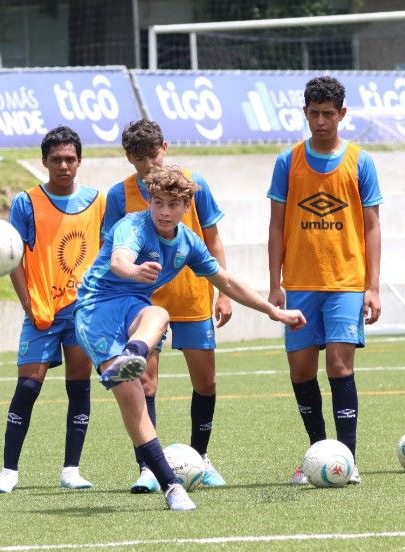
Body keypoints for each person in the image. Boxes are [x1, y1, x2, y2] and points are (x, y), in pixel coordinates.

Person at [75, 165, 305, 511]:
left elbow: (226, 282)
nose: (164, 212)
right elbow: (120, 259)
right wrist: (135, 270)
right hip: (96, 310)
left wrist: (275, 312)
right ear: (149, 202)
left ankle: (132, 353)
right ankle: (171, 485)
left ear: (186, 207)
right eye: (158, 203)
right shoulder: (133, 226)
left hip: (132, 306)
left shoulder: (187, 243)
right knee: (132, 396)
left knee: (159, 314)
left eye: (173, 204)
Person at [103, 119, 232, 493]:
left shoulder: (195, 184)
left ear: (166, 146)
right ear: (129, 158)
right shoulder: (118, 195)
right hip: (143, 302)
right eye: (139, 158)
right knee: (145, 380)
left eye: (153, 154)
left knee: (205, 380)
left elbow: (213, 238)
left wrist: (223, 292)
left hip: (192, 295)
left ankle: (200, 458)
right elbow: (111, 250)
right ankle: (147, 466)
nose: (148, 165)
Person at [266, 76, 382, 485]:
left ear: (342, 114)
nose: (320, 121)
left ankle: (346, 459)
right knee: (300, 370)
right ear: (305, 113)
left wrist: (373, 285)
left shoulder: (360, 162)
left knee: (338, 365)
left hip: (346, 281)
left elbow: (371, 227)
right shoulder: (288, 161)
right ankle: (319, 453)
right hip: (298, 283)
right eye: (314, 114)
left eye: (328, 114)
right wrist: (274, 284)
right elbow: (277, 225)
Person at [0, 126, 106, 493]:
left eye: (70, 159)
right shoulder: (26, 202)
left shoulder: (98, 202)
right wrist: (29, 304)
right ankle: (9, 470)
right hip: (41, 311)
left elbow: (105, 254)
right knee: (27, 386)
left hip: (81, 311)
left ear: (80, 161)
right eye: (56, 159)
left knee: (79, 387)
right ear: (44, 162)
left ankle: (71, 469)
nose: (64, 166)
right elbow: (14, 259)